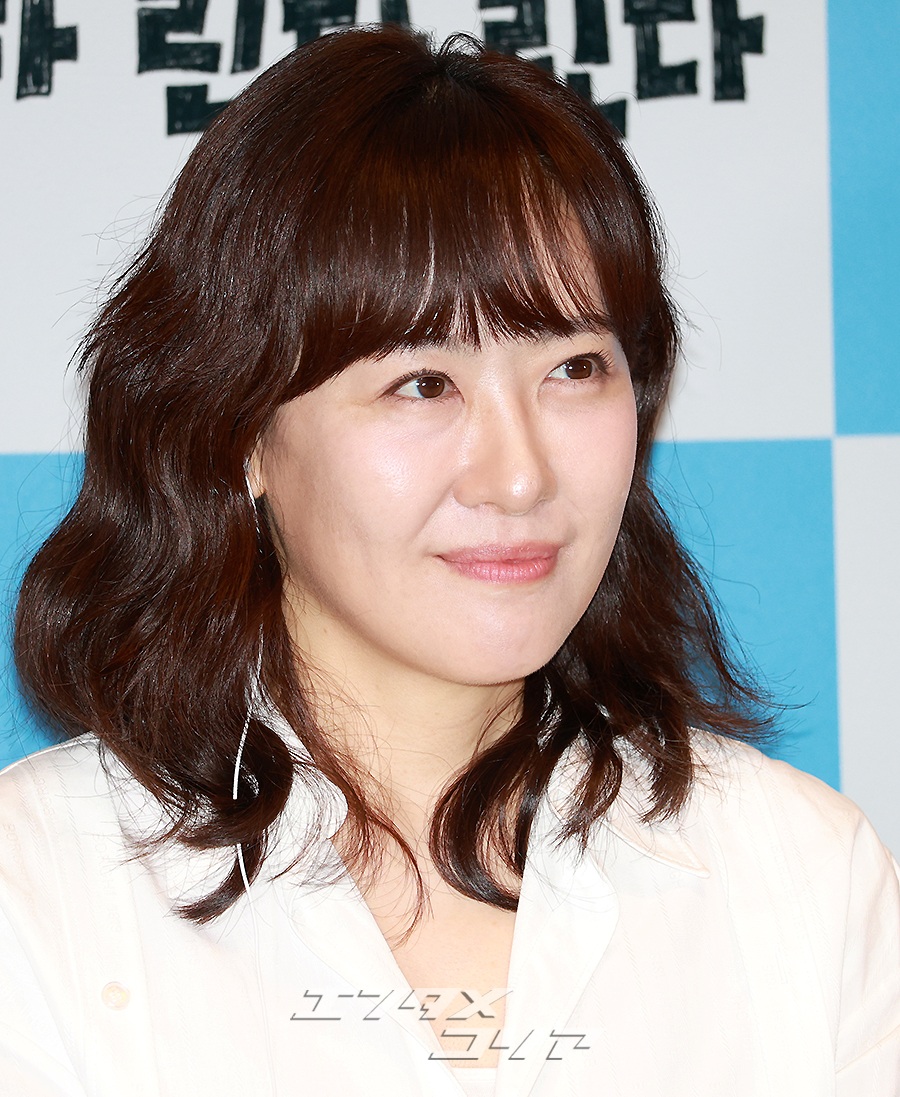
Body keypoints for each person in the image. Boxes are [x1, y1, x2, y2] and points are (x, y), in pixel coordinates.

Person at [1, 23, 897, 1097]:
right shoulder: (37, 893)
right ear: (238, 432)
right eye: (422, 384)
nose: (519, 477)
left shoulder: (799, 874)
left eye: (575, 368)